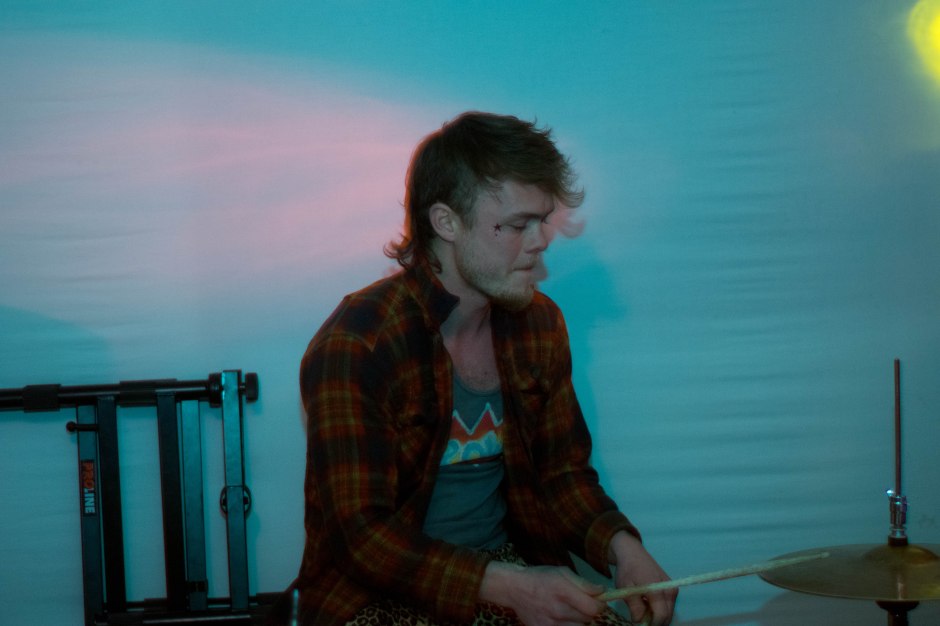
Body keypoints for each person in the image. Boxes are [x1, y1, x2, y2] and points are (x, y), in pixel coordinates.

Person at [272, 111, 676, 626]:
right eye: (517, 225)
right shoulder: (359, 342)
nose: (540, 241)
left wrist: (622, 547)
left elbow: (561, 476)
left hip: (505, 567)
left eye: (542, 221)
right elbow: (361, 538)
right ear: (446, 223)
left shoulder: (540, 324)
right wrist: (509, 588)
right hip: (376, 591)